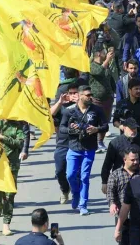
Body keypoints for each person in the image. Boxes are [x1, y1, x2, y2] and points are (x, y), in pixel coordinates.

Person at [59, 85, 107, 216]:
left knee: (85, 177)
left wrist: (96, 129)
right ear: (80, 96)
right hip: (74, 147)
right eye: (87, 95)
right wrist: (71, 129)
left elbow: (105, 126)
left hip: (89, 148)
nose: (90, 97)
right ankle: (75, 193)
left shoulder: (96, 110)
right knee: (70, 175)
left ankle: (83, 204)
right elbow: (61, 128)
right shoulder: (70, 111)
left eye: (91, 95)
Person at [0, 120, 30, 237]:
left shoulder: (16, 126)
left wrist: (2, 137)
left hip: (11, 165)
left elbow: (20, 143)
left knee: (9, 194)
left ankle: (6, 224)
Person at [106, 146, 140, 243]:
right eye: (132, 160)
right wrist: (112, 204)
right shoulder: (116, 174)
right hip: (122, 216)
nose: (136, 162)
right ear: (125, 159)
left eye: (137, 159)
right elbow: (110, 192)